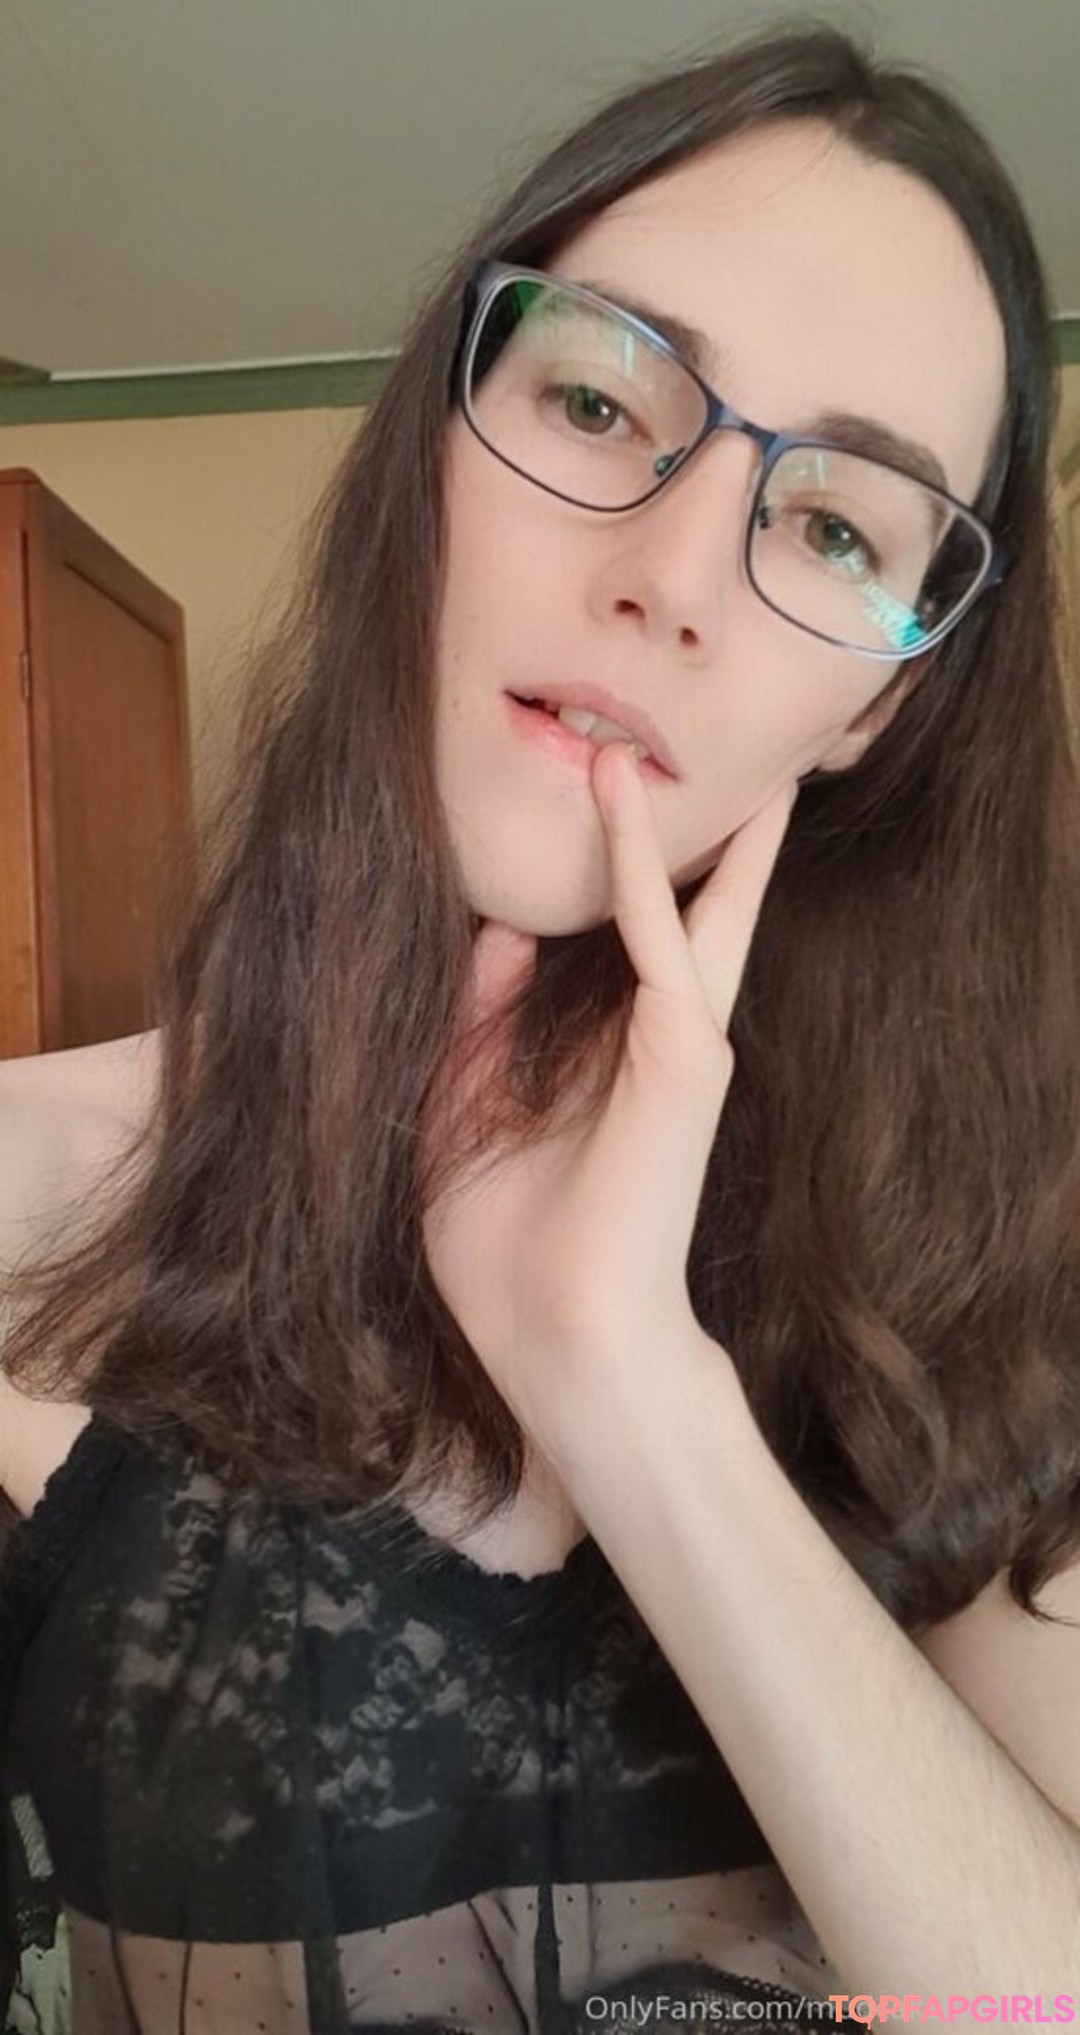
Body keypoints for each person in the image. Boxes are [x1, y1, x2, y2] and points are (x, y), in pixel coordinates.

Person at [2, 22, 1080, 2032]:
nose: (672, 578)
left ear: (877, 706)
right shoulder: (22, 1199)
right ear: (435, 444)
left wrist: (627, 1382)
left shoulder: (1006, 1265)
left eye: (838, 527)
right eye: (598, 400)